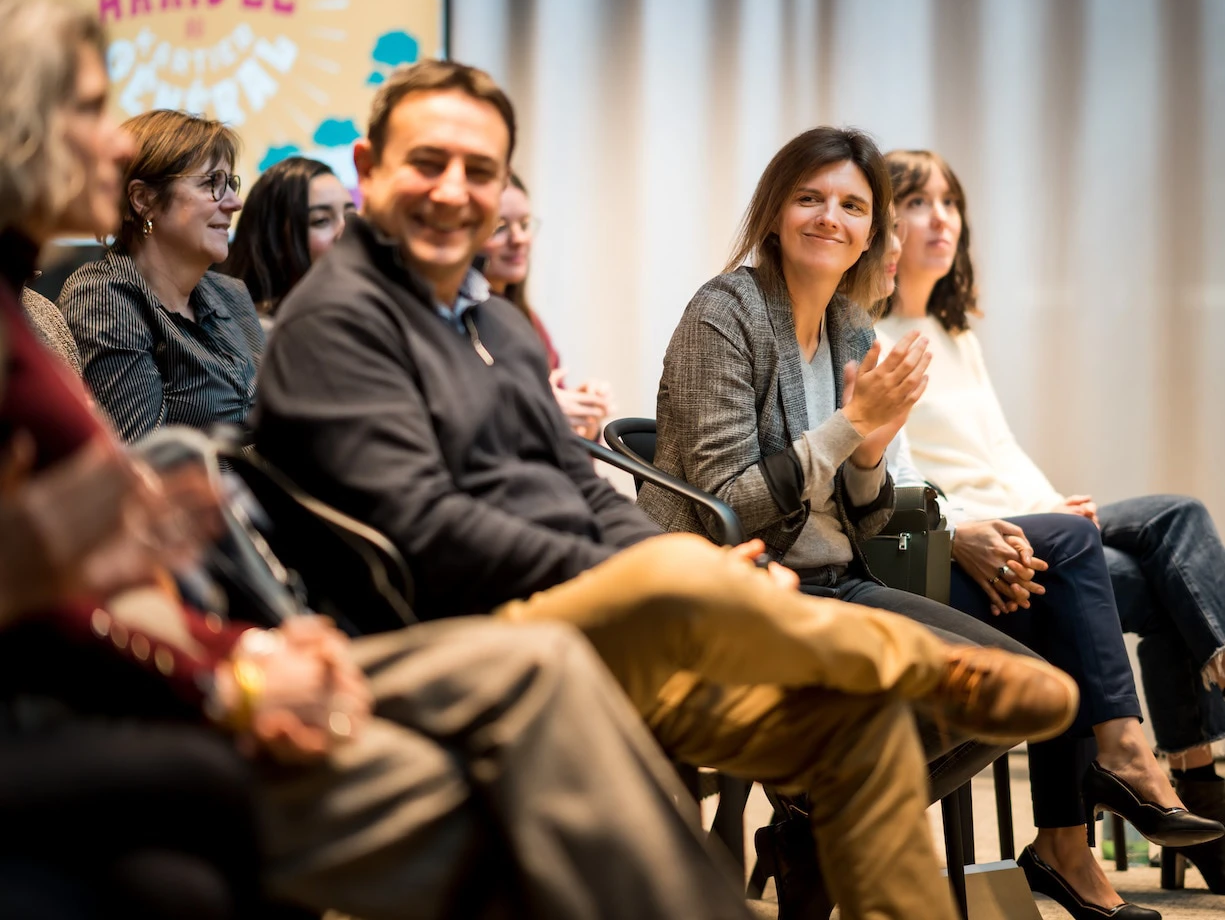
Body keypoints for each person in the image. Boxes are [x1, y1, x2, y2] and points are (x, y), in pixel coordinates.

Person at [0, 0, 797, 920]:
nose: (117, 140)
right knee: (545, 712)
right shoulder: (113, 301)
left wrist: (241, 648)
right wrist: (232, 670)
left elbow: (125, 535)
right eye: (93, 109)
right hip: (212, 631)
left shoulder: (175, 305)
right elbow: (98, 542)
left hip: (236, 601)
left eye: (484, 174)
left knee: (558, 693)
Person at [252, 57, 1086, 920]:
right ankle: (914, 665)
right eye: (429, 162)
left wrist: (864, 456)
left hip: (685, 602)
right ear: (366, 168)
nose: (454, 190)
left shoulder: (498, 321)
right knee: (678, 571)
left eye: (480, 171)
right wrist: (658, 568)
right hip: (478, 635)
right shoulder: (337, 321)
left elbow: (577, 484)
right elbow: (423, 531)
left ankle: (857, 740)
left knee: (863, 729)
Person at [643, 126, 1224, 919]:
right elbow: (730, 506)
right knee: (1058, 589)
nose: (830, 218)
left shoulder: (851, 328)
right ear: (774, 211)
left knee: (1032, 692)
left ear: (866, 231)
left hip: (842, 576)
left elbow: (876, 514)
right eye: (809, 199)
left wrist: (871, 455)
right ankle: (836, 821)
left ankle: (814, 821)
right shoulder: (724, 312)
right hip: (746, 585)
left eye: (850, 205)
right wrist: (855, 433)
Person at [881, 147, 1225, 909]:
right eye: (916, 202)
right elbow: (893, 479)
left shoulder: (954, 332)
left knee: (1178, 517)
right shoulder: (870, 333)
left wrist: (1055, 509)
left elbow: (998, 450)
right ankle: (1189, 773)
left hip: (1036, 522)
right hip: (982, 537)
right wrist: (1005, 523)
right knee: (1151, 586)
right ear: (885, 222)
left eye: (950, 202)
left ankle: (1183, 754)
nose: (940, 217)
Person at [58, 110, 264, 442]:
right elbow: (143, 461)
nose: (235, 203)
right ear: (143, 200)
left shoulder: (230, 293)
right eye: (212, 184)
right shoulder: (103, 297)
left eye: (231, 184)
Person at [479, 172, 612, 439]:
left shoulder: (529, 321)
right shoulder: (462, 319)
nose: (519, 238)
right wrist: (543, 410)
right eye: (500, 226)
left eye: (525, 224)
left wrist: (583, 418)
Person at [222, 156, 355, 325]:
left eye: (351, 216)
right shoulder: (258, 336)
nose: (346, 231)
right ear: (274, 242)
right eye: (321, 220)